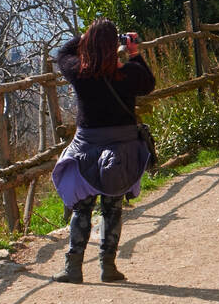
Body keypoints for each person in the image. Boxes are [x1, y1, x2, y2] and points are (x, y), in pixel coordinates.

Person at [49, 18, 156, 283]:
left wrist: (86, 37)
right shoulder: (127, 74)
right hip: (121, 151)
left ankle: (73, 267)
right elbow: (148, 83)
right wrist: (134, 53)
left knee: (82, 208)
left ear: (88, 44)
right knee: (112, 208)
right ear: (113, 47)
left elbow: (62, 53)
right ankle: (108, 267)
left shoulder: (79, 72)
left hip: (86, 149)